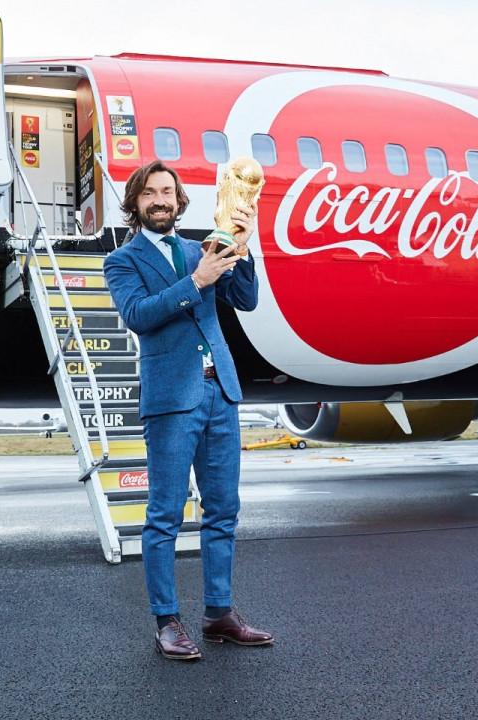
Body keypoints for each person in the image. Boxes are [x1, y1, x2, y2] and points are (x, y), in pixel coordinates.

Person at [103, 160, 273, 660]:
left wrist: (243, 245)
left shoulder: (205, 244)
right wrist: (197, 279)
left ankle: (218, 613)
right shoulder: (123, 260)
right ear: (135, 202)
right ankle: (167, 621)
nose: (161, 200)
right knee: (164, 516)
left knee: (224, 510)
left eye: (169, 193)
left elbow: (247, 300)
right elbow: (139, 316)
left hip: (220, 392)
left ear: (180, 202)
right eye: (151, 193)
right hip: (172, 401)